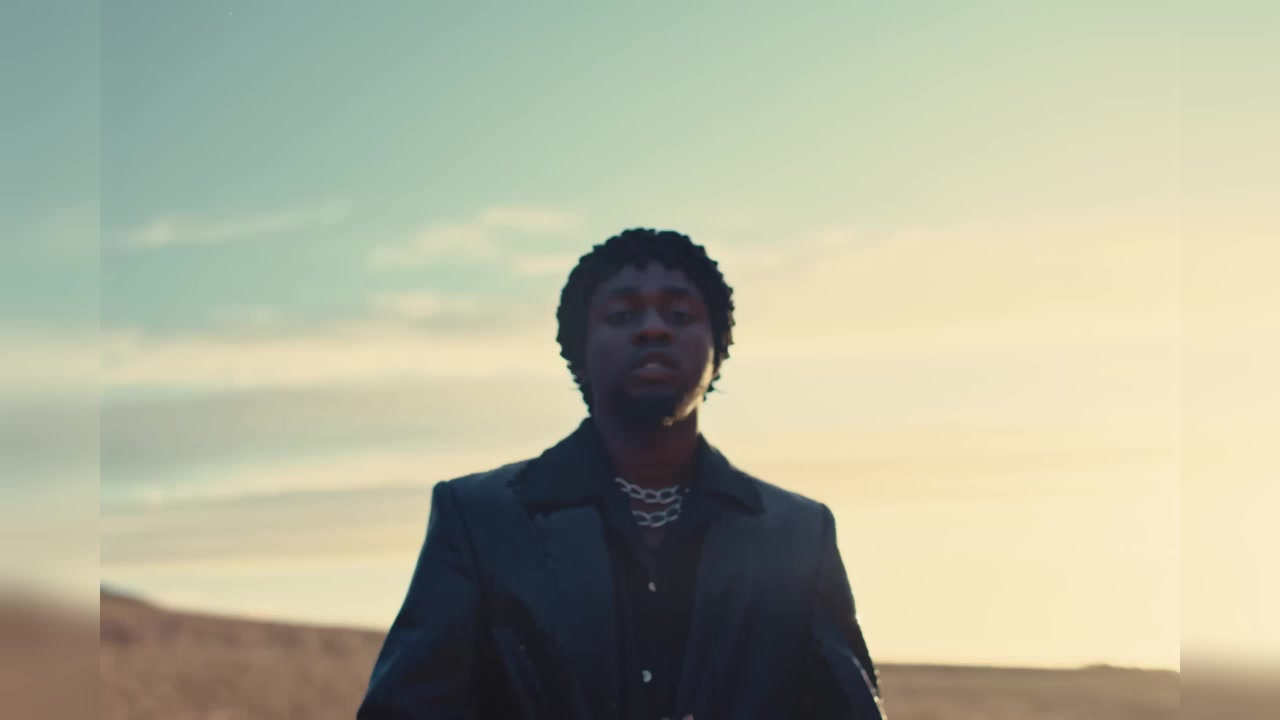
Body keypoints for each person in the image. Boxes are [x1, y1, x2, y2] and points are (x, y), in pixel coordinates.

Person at [356, 228, 885, 720]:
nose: (653, 328)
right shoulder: (482, 518)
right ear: (579, 352)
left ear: (717, 351)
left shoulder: (796, 533)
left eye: (679, 314)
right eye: (622, 315)